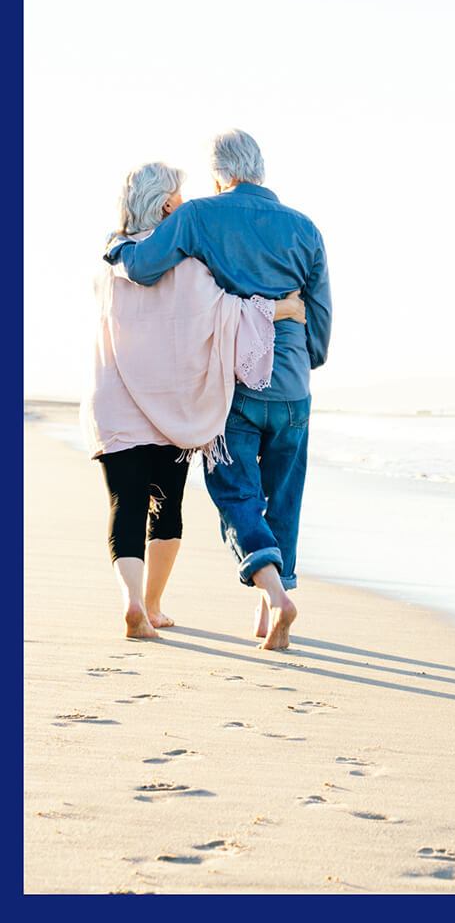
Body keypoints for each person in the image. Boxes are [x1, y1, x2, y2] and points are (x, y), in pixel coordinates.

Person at [105, 130, 332, 650]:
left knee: (236, 492)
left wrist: (116, 244)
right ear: (261, 169)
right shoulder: (306, 228)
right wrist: (307, 358)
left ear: (217, 174)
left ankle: (273, 597)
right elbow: (319, 310)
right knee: (286, 497)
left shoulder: (199, 215)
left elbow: (142, 267)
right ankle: (266, 607)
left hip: (237, 384)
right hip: (293, 385)